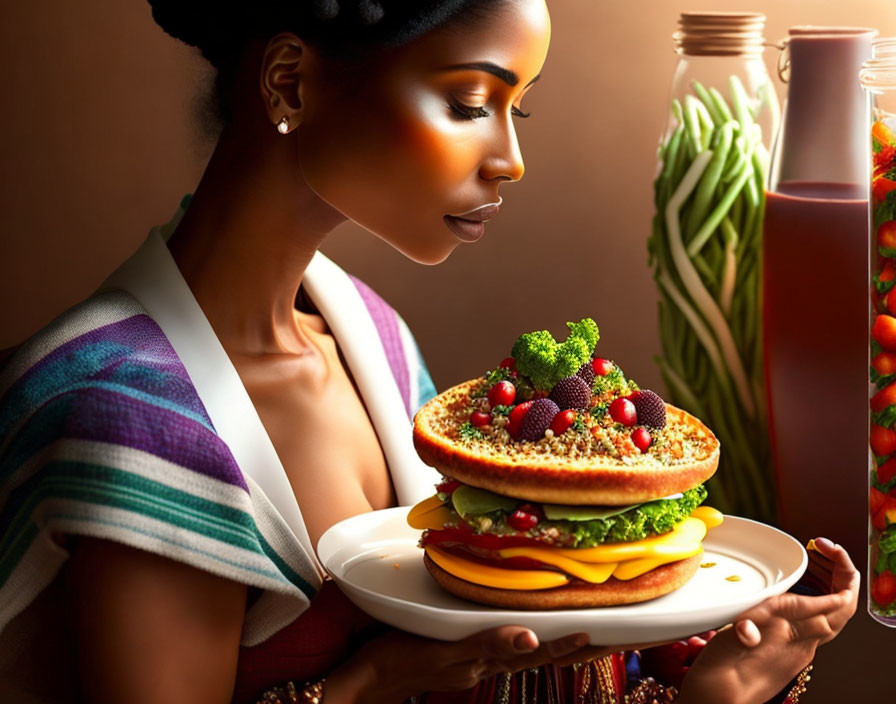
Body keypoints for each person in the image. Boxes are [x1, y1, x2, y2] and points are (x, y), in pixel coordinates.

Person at [0, 1, 859, 703]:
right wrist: (368, 686)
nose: (512, 160)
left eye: (516, 108)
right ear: (289, 81)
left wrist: (717, 681)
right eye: (470, 102)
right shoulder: (136, 415)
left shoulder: (370, 334)